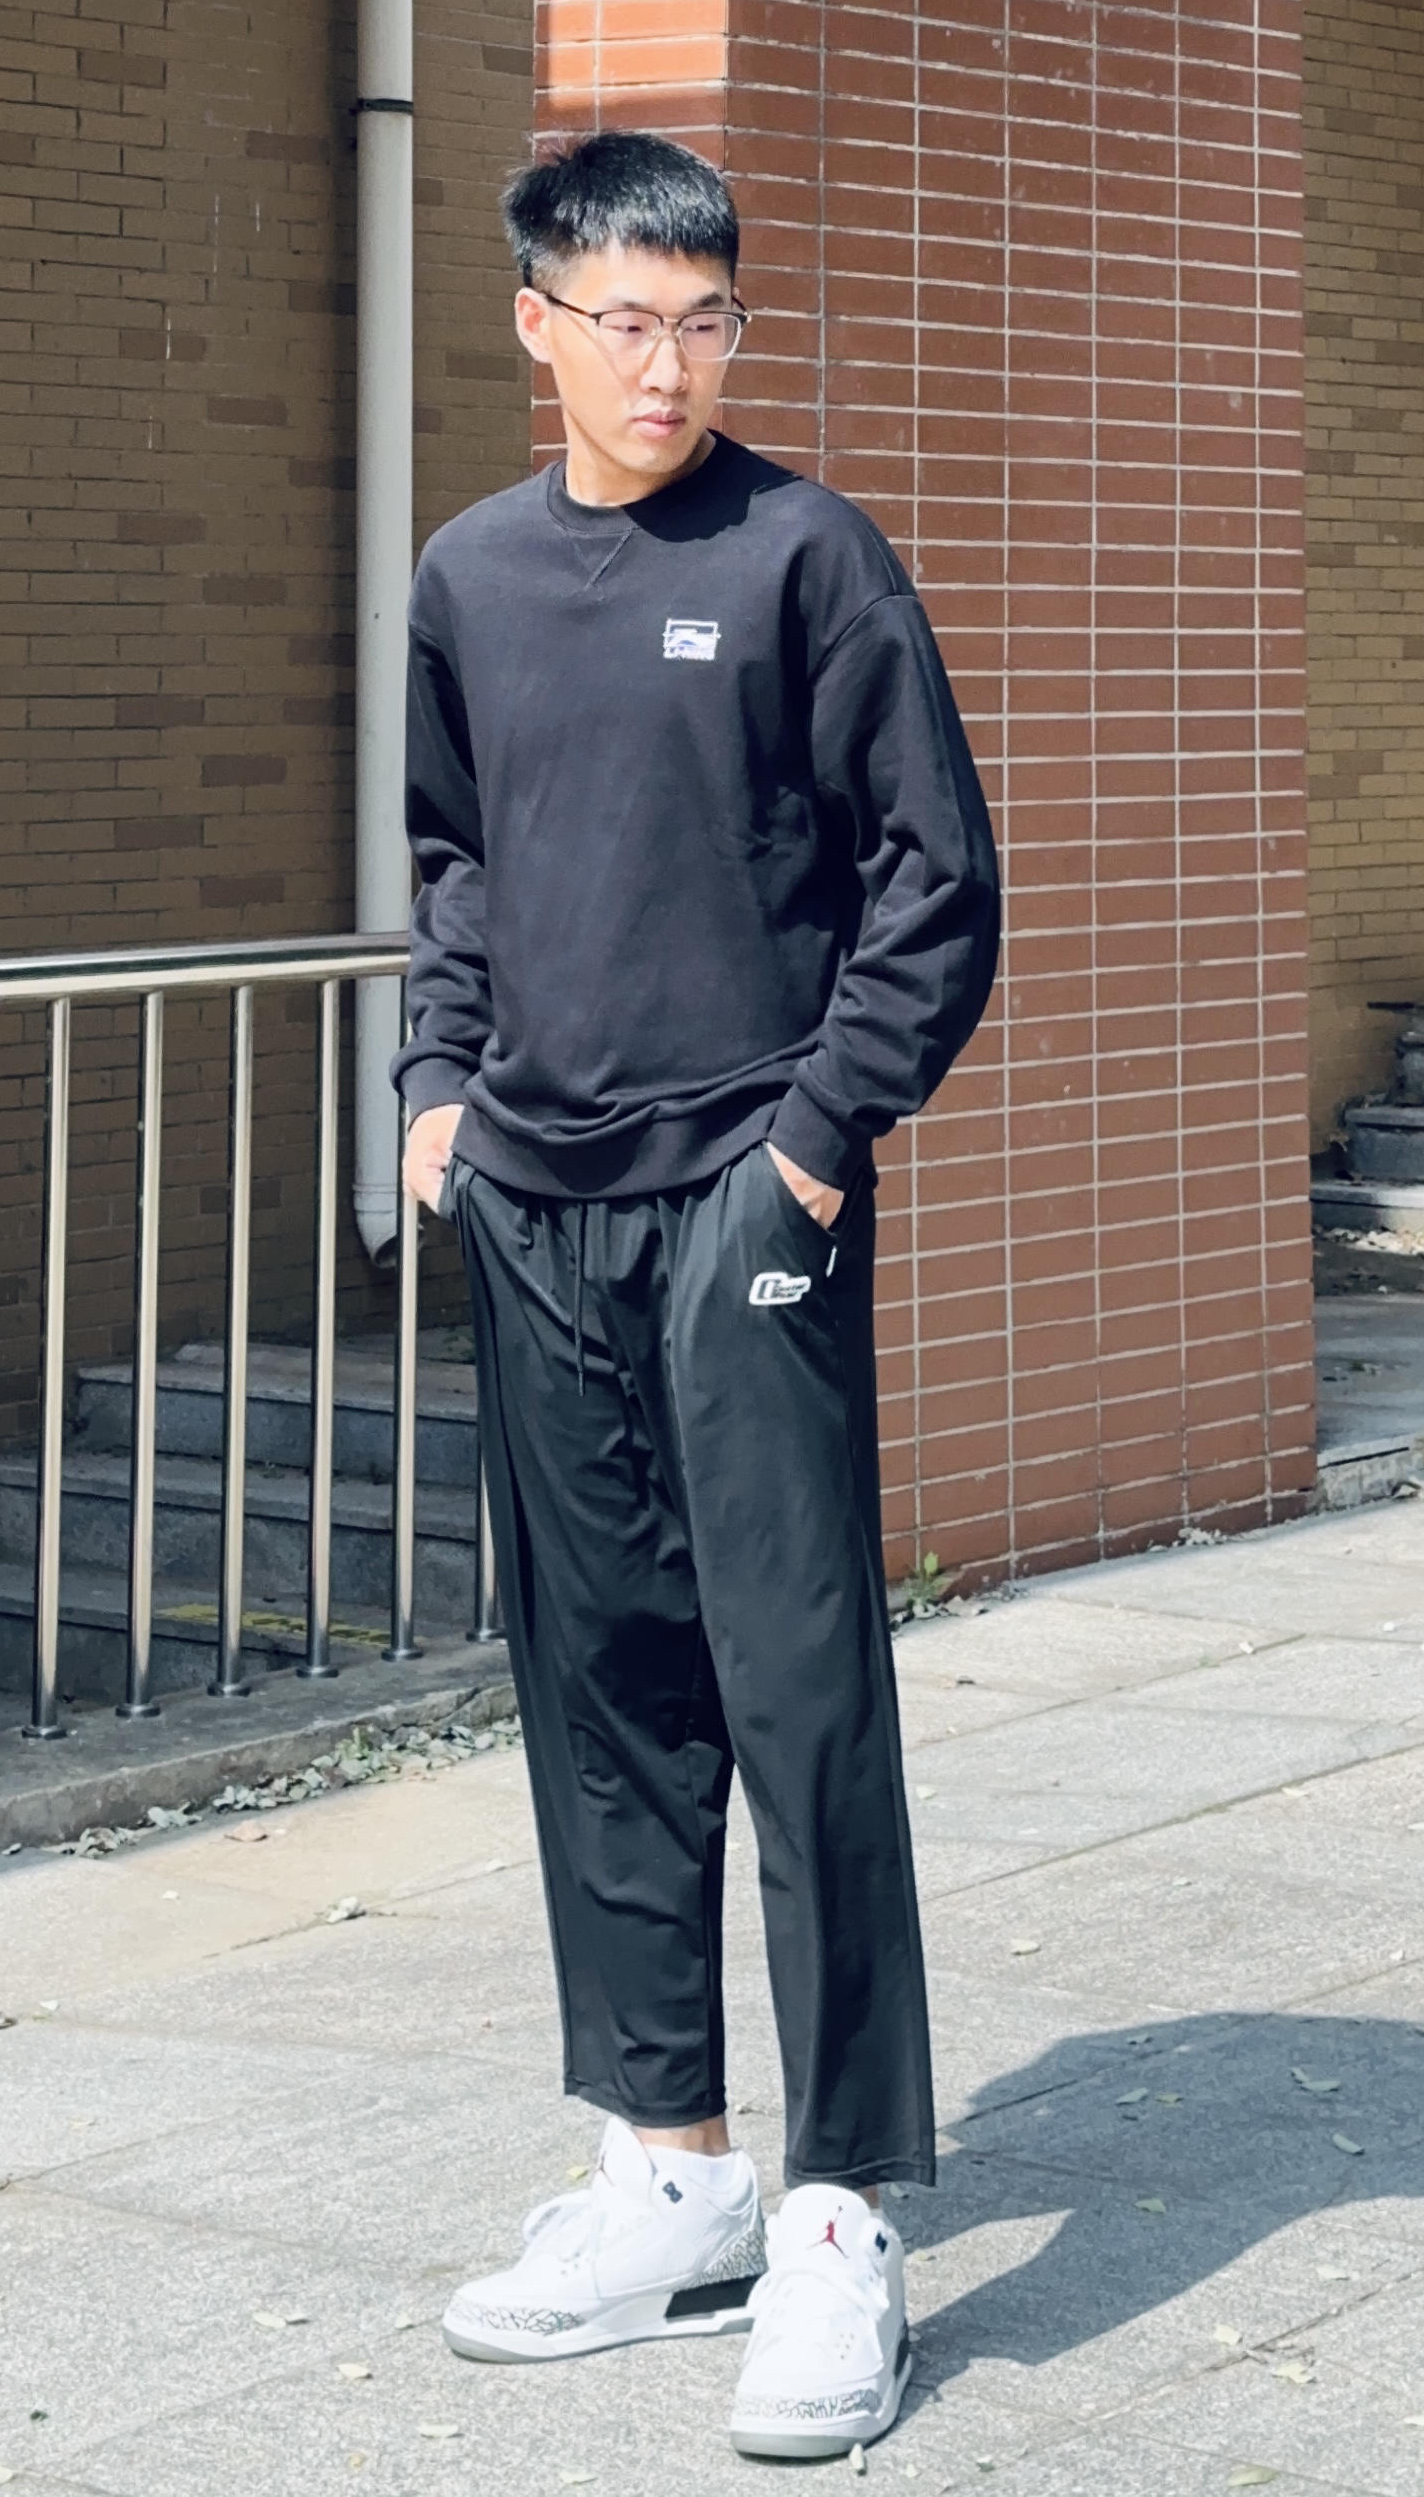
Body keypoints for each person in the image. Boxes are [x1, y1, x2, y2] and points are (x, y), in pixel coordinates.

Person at [394, 130, 1000, 2463]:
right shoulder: (470, 575)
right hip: (538, 1204)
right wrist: (438, 1084)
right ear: (536, 325)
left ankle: (838, 2209)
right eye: (626, 322)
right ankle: (668, 2169)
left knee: (798, 1685)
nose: (668, 365)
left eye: (706, 320)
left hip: (747, 1199)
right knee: (605, 1686)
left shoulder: (803, 557)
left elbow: (933, 882)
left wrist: (815, 1143)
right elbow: (455, 856)